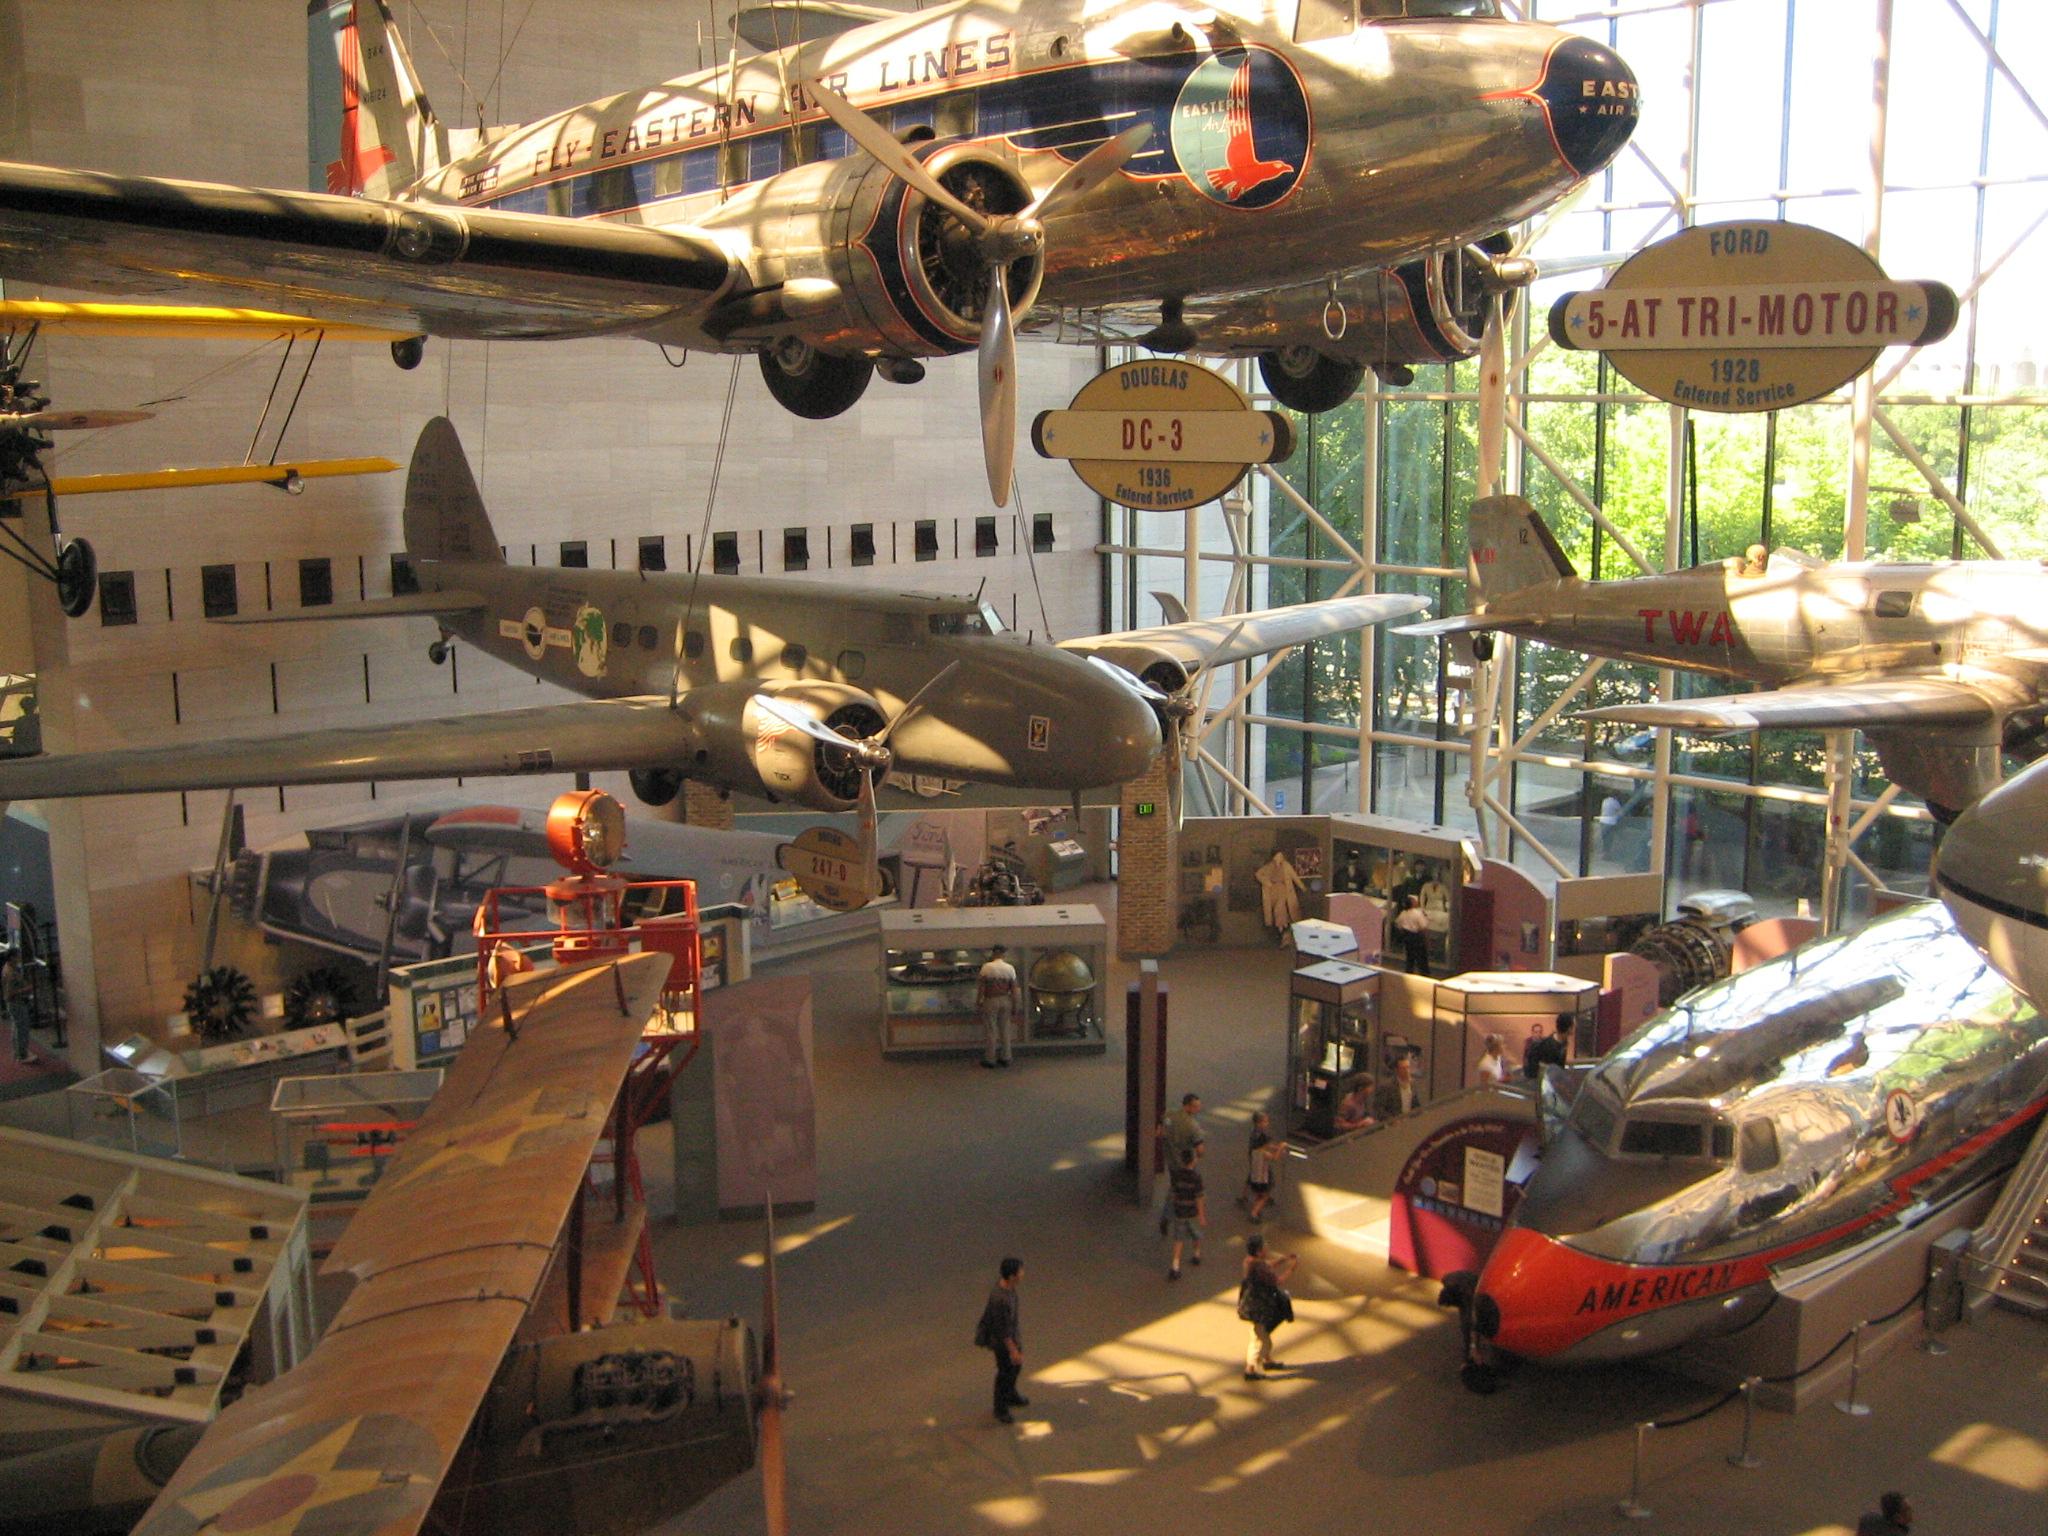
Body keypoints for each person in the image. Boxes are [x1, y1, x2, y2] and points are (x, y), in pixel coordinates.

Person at [973, 1257, 1028, 1423]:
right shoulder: (1000, 1299)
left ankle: (1010, 1394)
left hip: (1011, 1335)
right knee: (1005, 1372)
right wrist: (1013, 1351)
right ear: (1012, 1276)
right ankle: (1000, 1408)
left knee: (1015, 1368)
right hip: (1003, 1342)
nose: (1023, 1273)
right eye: (1020, 1271)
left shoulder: (1008, 1287)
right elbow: (1002, 1331)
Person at [1239, 1233, 1298, 1379]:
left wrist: (1284, 1259)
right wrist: (1291, 1269)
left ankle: (1267, 1360)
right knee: (1263, 1341)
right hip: (1259, 1307)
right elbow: (1277, 1281)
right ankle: (1251, 1369)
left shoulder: (1250, 1261)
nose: (1267, 1248)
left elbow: (1268, 1264)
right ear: (1259, 1251)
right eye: (1264, 1246)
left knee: (1260, 1332)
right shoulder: (1260, 1268)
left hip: (1250, 1305)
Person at [977, 944, 1018, 1069]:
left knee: (991, 1030)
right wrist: (1015, 1005)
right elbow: (1014, 990)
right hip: (1005, 999)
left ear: (993, 953)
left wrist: (979, 1002)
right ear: (1004, 954)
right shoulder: (1010, 968)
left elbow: (982, 988)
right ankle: (1006, 1057)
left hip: (990, 1000)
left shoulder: (987, 967)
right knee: (1005, 1030)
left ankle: (990, 1059)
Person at [1166, 1147, 1205, 1279]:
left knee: (1179, 1238)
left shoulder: (1176, 1175)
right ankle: (1196, 1254)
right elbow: (1199, 1197)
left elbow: (1174, 1193)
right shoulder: (1196, 1177)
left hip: (1179, 1211)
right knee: (1196, 1234)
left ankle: (1175, 1265)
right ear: (1193, 1161)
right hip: (1192, 1212)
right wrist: (1201, 1215)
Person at [1254, 850, 1307, 942]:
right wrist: (1266, 882)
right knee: (1277, 910)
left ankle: (1284, 931)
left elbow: (1294, 877)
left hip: (1284, 890)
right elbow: (1258, 874)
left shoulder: (1286, 866)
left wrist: (1302, 887)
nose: (1279, 858)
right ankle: (1281, 932)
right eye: (1277, 856)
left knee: (1281, 908)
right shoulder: (1269, 866)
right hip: (1273, 891)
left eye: (1280, 856)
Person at [1241, 1111, 1284, 1223]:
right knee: (1264, 1194)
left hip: (1255, 1170)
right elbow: (1275, 1158)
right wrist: (1280, 1148)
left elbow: (1266, 1145)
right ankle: (1254, 1213)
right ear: (1259, 1123)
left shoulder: (1255, 1140)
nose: (1267, 1123)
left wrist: (1274, 1147)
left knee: (1256, 1187)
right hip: (1262, 1175)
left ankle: (1245, 1197)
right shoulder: (1263, 1154)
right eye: (1265, 1121)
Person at [2, 945, 33, 1064]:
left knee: (16, 1027)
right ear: (11, 958)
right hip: (16, 1003)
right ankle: (22, 1055)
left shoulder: (9, 968)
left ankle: (18, 1052)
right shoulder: (10, 973)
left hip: (14, 1003)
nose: (19, 958)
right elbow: (10, 993)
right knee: (22, 1028)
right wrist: (26, 989)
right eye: (17, 956)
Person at [1374, 1054, 1424, 1119]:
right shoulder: (1386, 1087)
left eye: (1408, 1067)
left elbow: (1417, 1107)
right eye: (1403, 1068)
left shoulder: (1413, 1085)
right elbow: (1379, 1109)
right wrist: (1392, 1120)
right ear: (1396, 1070)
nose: (1407, 1071)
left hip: (1409, 1122)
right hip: (1394, 1122)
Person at [1523, 1015, 1570, 1081]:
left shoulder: (1545, 1043)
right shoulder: (1529, 1044)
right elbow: (1527, 1061)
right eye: (1536, 1032)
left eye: (1540, 1032)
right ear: (1532, 1033)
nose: (1538, 1034)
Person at [1394, 895, 1431, 975]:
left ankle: (1409, 972)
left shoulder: (1403, 913)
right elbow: (1423, 927)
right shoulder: (1417, 913)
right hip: (1417, 937)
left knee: (1410, 957)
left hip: (1407, 937)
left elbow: (1398, 925)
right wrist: (1426, 939)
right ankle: (1424, 974)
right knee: (1421, 957)